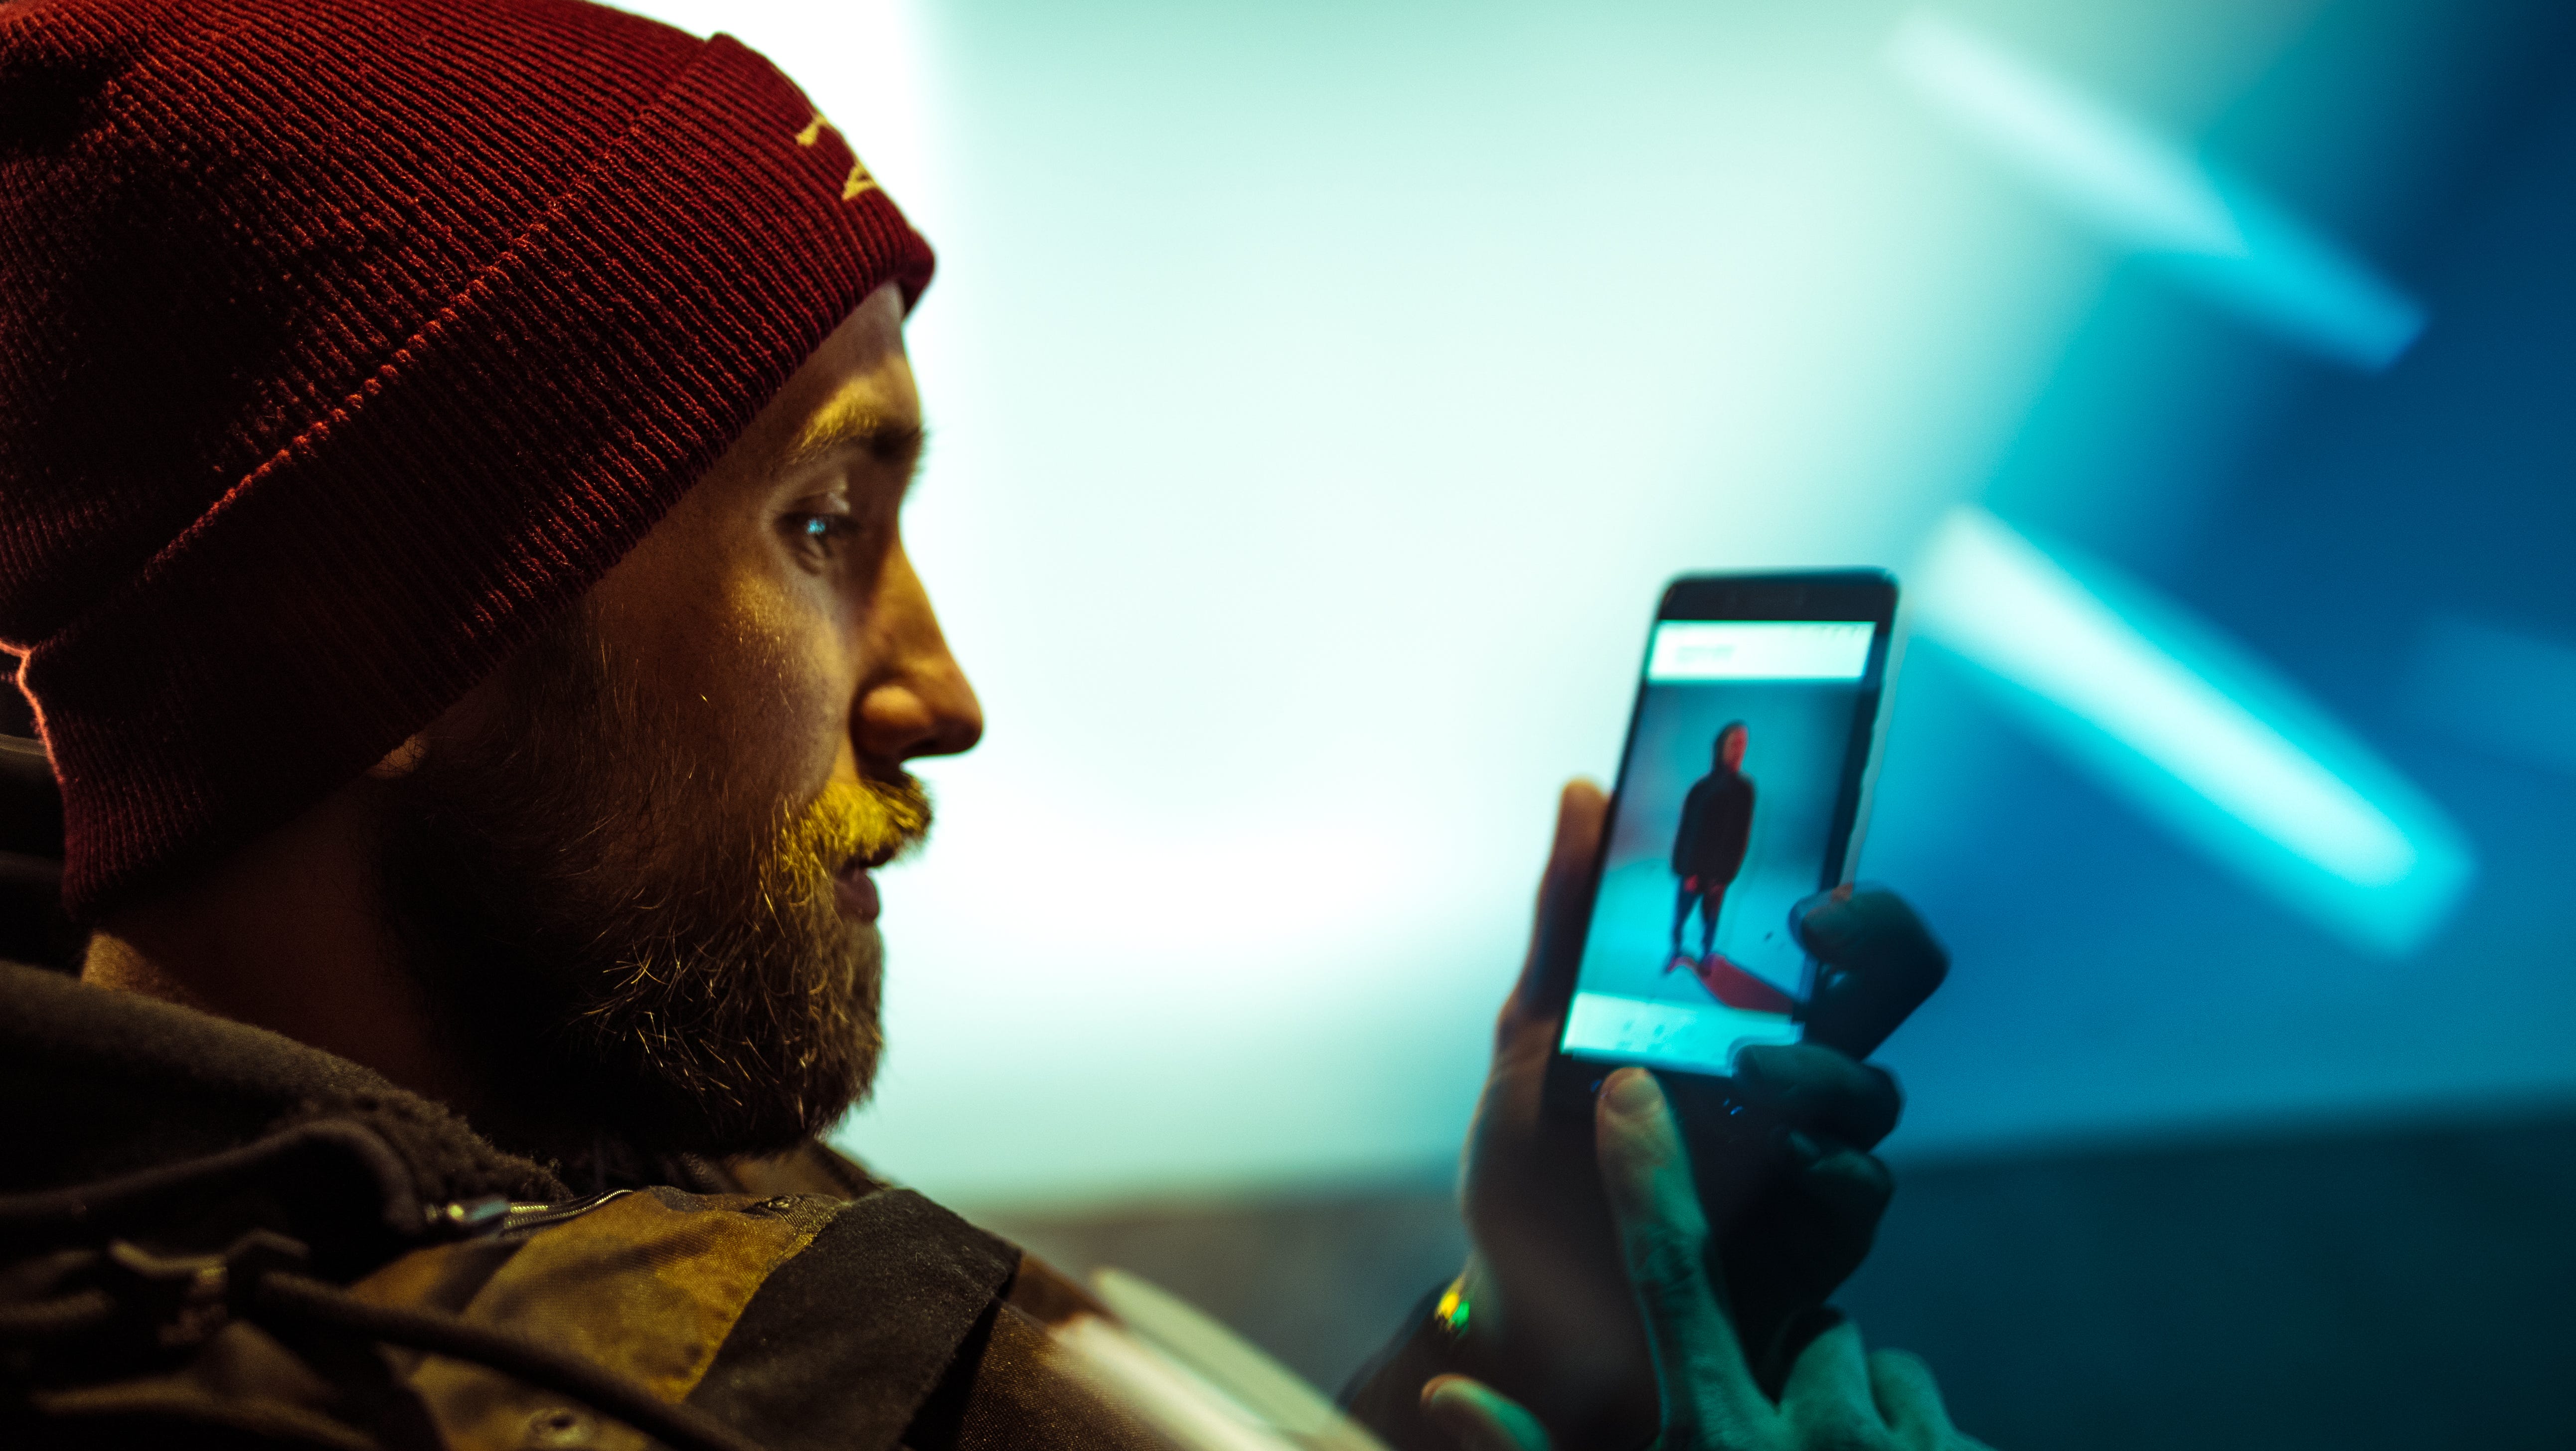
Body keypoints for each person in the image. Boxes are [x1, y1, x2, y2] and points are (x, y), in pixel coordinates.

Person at [0, 1, 1982, 1447]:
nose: (937, 698)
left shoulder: (573, 1172)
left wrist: (1533, 1309)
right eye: (821, 524)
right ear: (379, 629)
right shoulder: (457, 1387)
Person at [1672, 724, 1757, 966]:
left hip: (1719, 873)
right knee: (1681, 914)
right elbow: (1687, 832)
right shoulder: (1701, 789)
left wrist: (1725, 876)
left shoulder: (1745, 790)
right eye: (1734, 743)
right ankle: (1676, 951)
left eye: (1743, 744)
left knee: (1711, 919)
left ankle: (1706, 955)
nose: (1739, 749)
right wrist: (1687, 871)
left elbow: (1740, 837)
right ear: (1722, 747)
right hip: (1693, 870)